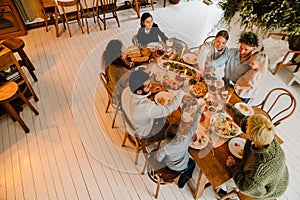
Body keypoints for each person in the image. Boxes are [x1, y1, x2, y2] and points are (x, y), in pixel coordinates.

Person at [224, 104, 289, 200]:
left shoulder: (259, 170)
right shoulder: (266, 135)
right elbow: (245, 122)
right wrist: (229, 107)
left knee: (226, 179)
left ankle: (229, 195)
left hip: (268, 190)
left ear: (252, 137)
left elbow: (245, 187)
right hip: (277, 176)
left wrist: (233, 167)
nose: (246, 126)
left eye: (247, 128)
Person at [121, 70, 188, 144]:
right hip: (145, 133)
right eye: (148, 86)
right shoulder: (148, 107)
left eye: (149, 83)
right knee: (174, 127)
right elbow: (169, 109)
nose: (151, 86)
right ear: (139, 91)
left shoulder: (126, 91)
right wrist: (183, 91)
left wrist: (149, 91)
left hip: (132, 122)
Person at [154, 106, 202, 188]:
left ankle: (181, 179)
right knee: (192, 164)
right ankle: (182, 182)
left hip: (170, 164)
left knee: (157, 152)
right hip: (182, 167)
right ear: (180, 136)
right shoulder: (185, 138)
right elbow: (194, 127)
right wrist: (198, 112)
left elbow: (158, 158)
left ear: (166, 134)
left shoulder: (164, 145)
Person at [102, 40, 134, 104]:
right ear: (118, 55)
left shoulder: (111, 60)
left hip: (114, 86)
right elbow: (133, 78)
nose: (126, 53)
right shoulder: (119, 69)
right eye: (124, 52)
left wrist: (126, 63)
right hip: (119, 94)